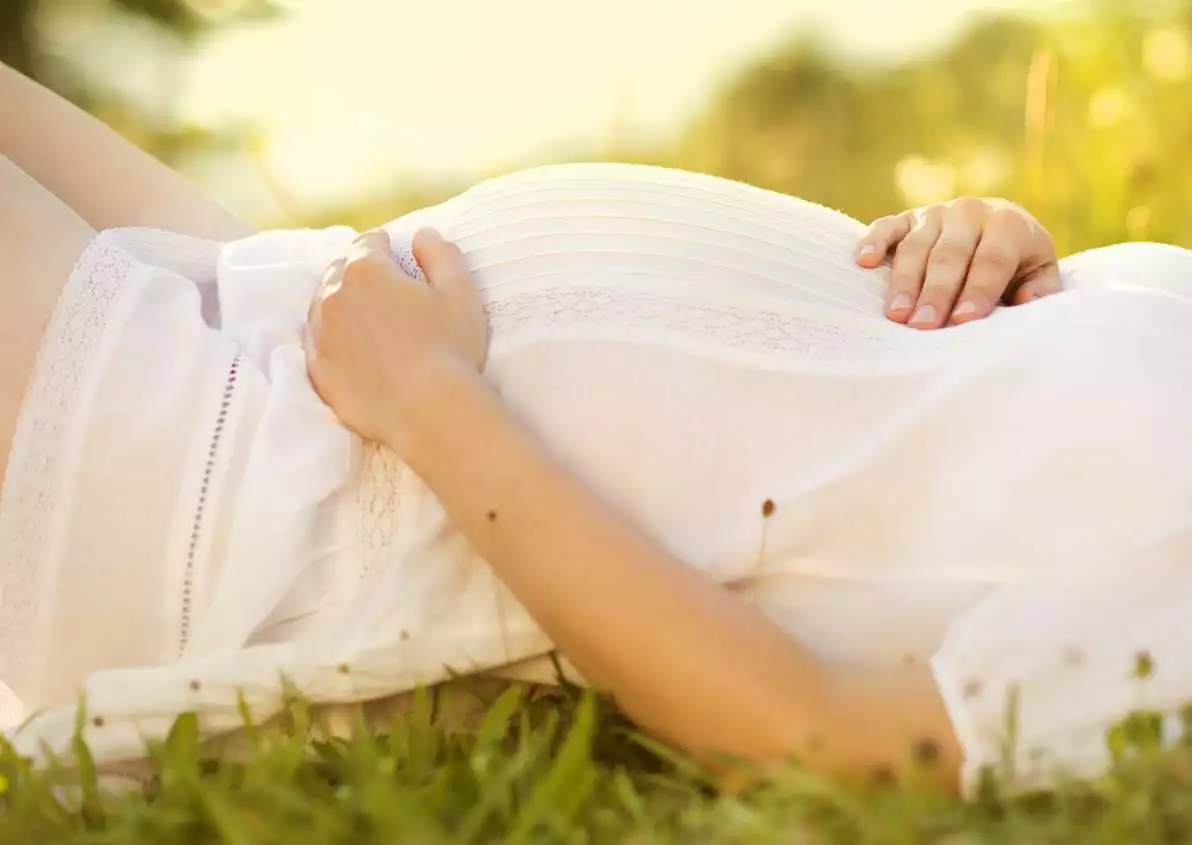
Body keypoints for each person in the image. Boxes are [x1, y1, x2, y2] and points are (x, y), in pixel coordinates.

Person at [3, 62, 1190, 795]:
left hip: (267, 502)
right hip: (303, 308)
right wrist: (994, 250)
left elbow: (826, 742)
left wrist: (427, 397)